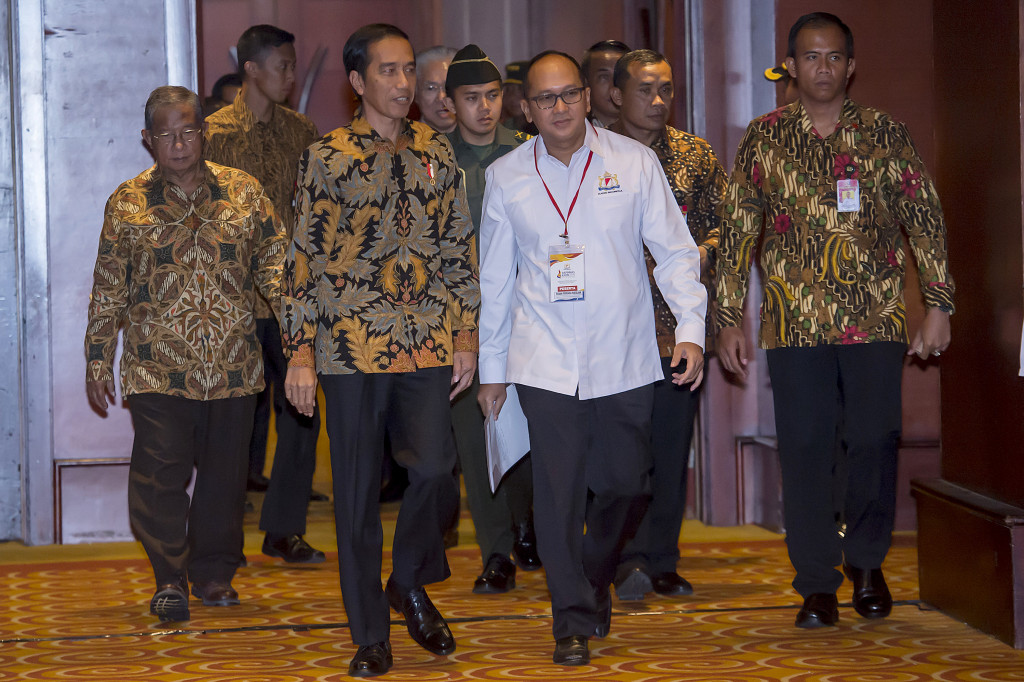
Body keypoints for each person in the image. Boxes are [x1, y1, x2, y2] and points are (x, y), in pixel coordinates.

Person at [715, 12, 954, 629]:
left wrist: (938, 303)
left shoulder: (885, 134)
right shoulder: (764, 138)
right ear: (790, 67)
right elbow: (738, 233)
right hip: (795, 325)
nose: (822, 68)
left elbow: (924, 220)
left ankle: (868, 563)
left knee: (875, 438)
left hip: (876, 318)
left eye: (833, 57)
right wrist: (727, 318)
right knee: (806, 448)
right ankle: (817, 583)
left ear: (851, 66)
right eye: (809, 57)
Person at [476, 50, 707, 666]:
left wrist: (691, 329)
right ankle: (570, 619)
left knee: (626, 484)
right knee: (556, 493)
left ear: (589, 96)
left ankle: (594, 575)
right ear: (527, 108)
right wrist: (493, 372)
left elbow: (676, 252)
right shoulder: (506, 177)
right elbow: (494, 283)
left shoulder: (633, 163)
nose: (560, 108)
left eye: (570, 95)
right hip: (542, 359)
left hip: (624, 357)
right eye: (546, 99)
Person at [282, 23, 478, 678]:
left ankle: (408, 580)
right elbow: (302, 259)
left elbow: (458, 250)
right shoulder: (328, 156)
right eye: (387, 72)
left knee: (433, 472)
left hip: (425, 339)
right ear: (359, 83)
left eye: (409, 73)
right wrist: (301, 352)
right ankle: (370, 633)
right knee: (357, 496)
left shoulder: (438, 153)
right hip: (348, 346)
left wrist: (466, 332)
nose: (402, 85)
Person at [85, 85, 285, 623]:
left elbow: (277, 271)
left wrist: (303, 341)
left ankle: (214, 571)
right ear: (147, 140)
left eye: (189, 130)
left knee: (225, 477)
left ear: (204, 132)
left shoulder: (245, 194)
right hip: (158, 365)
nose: (179, 143)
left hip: (233, 365)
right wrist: (98, 357)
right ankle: (169, 577)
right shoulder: (127, 203)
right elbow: (109, 286)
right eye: (166, 134)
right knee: (160, 474)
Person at [607, 49, 728, 602]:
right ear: (615, 95)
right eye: (645, 90)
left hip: (678, 329)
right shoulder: (594, 154)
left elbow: (724, 231)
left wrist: (687, 257)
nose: (658, 101)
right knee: (621, 454)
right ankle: (622, 555)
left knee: (670, 448)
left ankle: (662, 559)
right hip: (613, 333)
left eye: (666, 91)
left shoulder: (695, 157)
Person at [205, 24, 326, 565]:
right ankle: (220, 539)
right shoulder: (209, 136)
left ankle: (283, 529)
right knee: (229, 425)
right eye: (282, 67)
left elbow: (317, 212)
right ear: (251, 69)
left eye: (293, 66)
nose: (291, 76)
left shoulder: (301, 132)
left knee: (302, 415)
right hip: (229, 302)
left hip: (287, 301)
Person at [440, 43, 539, 595]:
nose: (484, 107)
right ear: (450, 102)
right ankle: (495, 550)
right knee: (474, 443)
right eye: (471, 98)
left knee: (530, 431)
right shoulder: (433, 160)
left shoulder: (530, 153)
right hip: (460, 325)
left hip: (528, 318)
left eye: (493, 95)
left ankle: (529, 525)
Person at [580, 39, 630, 128]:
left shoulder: (651, 132)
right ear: (586, 82)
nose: (614, 85)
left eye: (621, 75)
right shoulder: (576, 134)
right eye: (604, 77)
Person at [415, 45, 457, 133]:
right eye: (431, 88)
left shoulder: (485, 141)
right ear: (416, 94)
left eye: (448, 86)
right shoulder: (402, 144)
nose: (441, 98)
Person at [499, 60, 534, 134]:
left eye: (520, 89)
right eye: (508, 90)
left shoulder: (542, 129)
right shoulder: (505, 127)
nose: (512, 97)